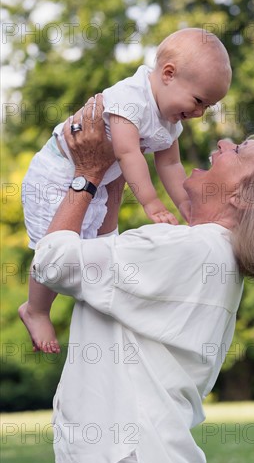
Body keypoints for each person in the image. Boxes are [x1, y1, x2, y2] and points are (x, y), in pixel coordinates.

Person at [24, 95, 254, 463]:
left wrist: (85, 174)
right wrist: (114, 176)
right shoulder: (212, 257)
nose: (223, 145)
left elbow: (52, 261)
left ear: (243, 195)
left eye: (237, 150)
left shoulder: (192, 249)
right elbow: (104, 269)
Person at [19, 28, 232, 354]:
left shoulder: (170, 120)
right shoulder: (130, 99)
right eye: (199, 101)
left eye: (209, 106)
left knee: (89, 253)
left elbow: (171, 167)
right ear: (169, 74)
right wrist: (150, 202)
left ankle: (90, 328)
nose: (200, 113)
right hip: (54, 173)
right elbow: (127, 153)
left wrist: (186, 207)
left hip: (98, 180)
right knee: (54, 245)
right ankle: (35, 309)